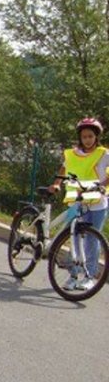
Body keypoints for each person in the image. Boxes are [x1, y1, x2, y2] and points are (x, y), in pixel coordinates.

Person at [48, 117, 109, 291]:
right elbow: (64, 168)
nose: (87, 139)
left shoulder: (103, 154)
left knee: (92, 239)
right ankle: (73, 275)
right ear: (80, 138)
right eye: (84, 137)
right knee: (74, 237)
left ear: (96, 137)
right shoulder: (73, 154)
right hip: (77, 200)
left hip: (97, 202)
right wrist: (57, 184)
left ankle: (89, 276)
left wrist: (103, 185)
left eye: (90, 136)